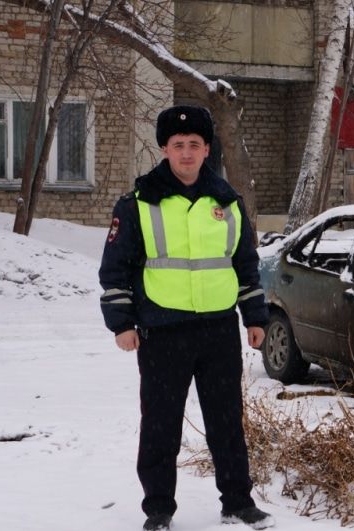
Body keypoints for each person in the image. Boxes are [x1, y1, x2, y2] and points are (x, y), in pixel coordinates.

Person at [99, 105, 274, 531]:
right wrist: (121, 323)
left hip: (217, 331)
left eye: (194, 144)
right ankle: (158, 509)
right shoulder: (139, 202)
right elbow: (115, 268)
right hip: (162, 330)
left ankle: (238, 501)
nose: (187, 152)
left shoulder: (227, 202)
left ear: (206, 149)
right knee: (160, 425)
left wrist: (255, 317)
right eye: (178, 145)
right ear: (165, 149)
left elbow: (245, 265)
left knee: (226, 421)